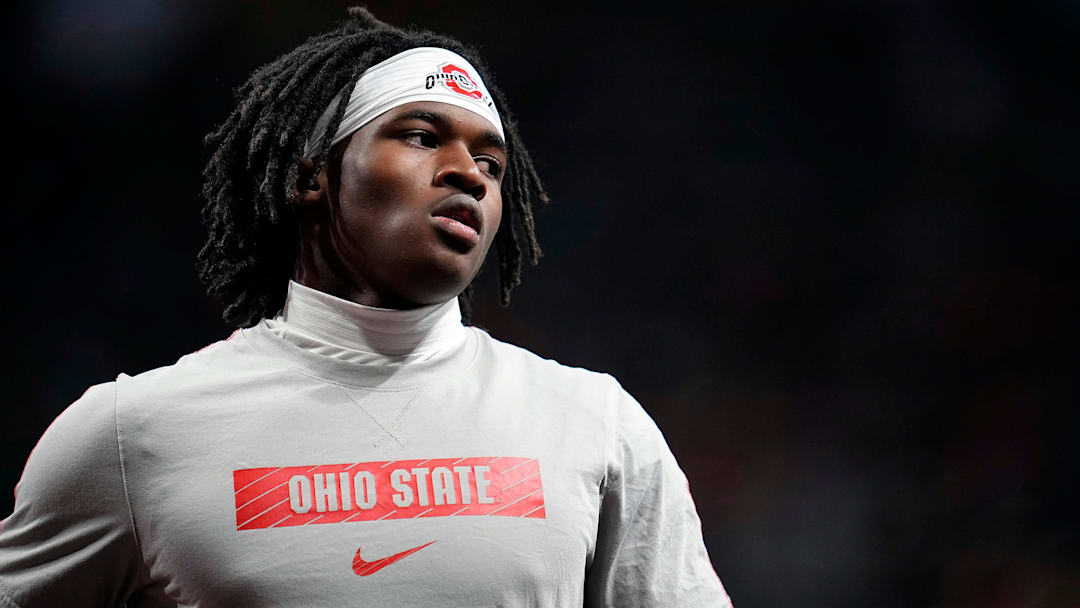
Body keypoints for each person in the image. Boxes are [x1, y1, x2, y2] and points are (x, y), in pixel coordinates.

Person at [0, 8, 731, 607]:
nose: (467, 176)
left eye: (491, 163)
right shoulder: (131, 436)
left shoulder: (595, 425)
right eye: (420, 137)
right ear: (311, 175)